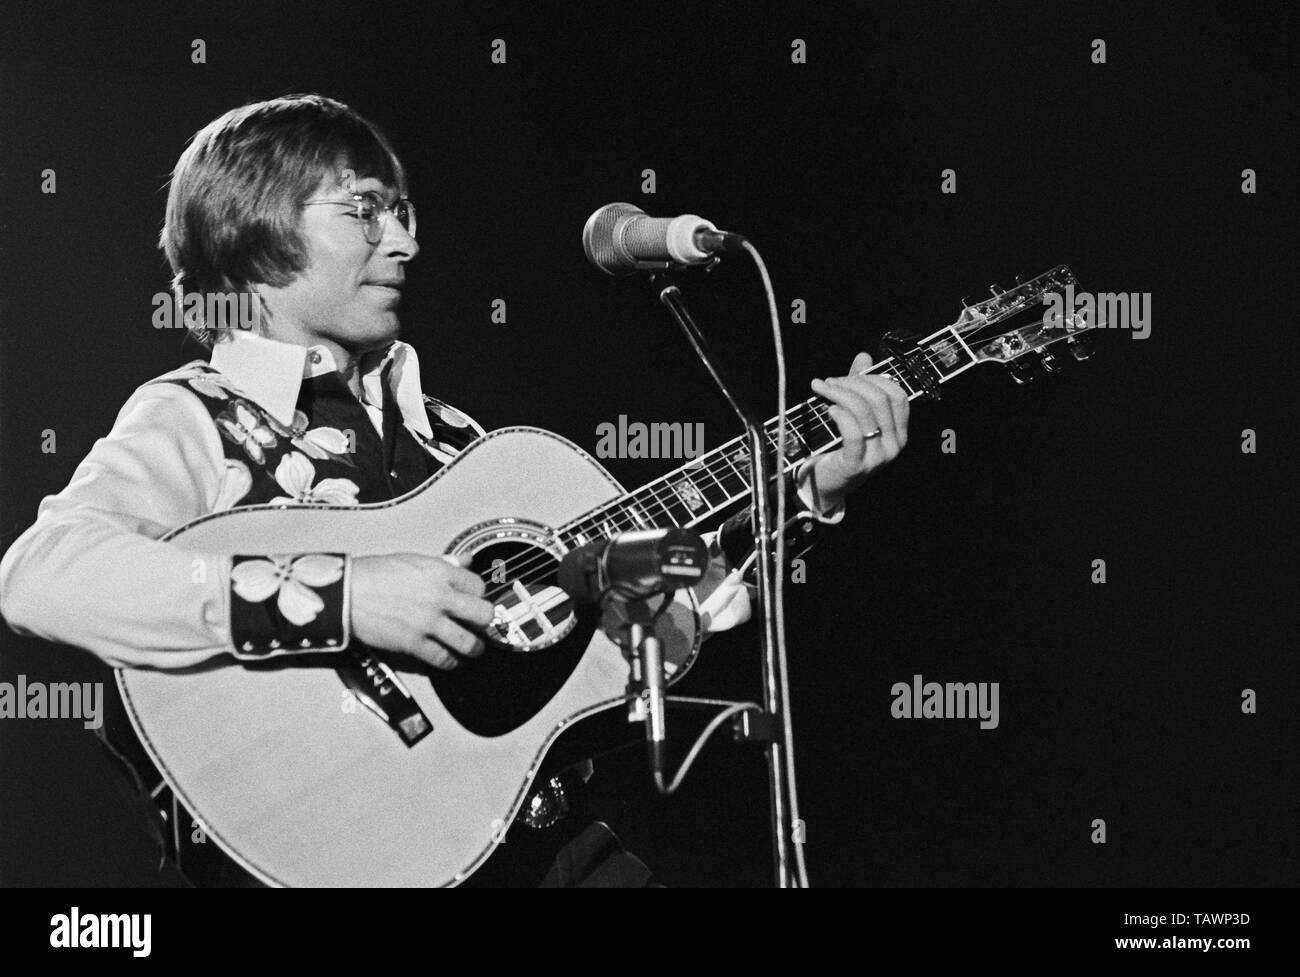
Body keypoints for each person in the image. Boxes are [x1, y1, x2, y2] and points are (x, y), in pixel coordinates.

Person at [0, 94, 909, 887]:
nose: (407, 239)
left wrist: (795, 495)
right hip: (351, 858)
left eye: (403, 210)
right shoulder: (195, 416)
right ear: (256, 225)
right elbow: (42, 574)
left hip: (546, 849)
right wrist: (347, 597)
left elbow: (646, 649)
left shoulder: (465, 445)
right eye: (366, 210)